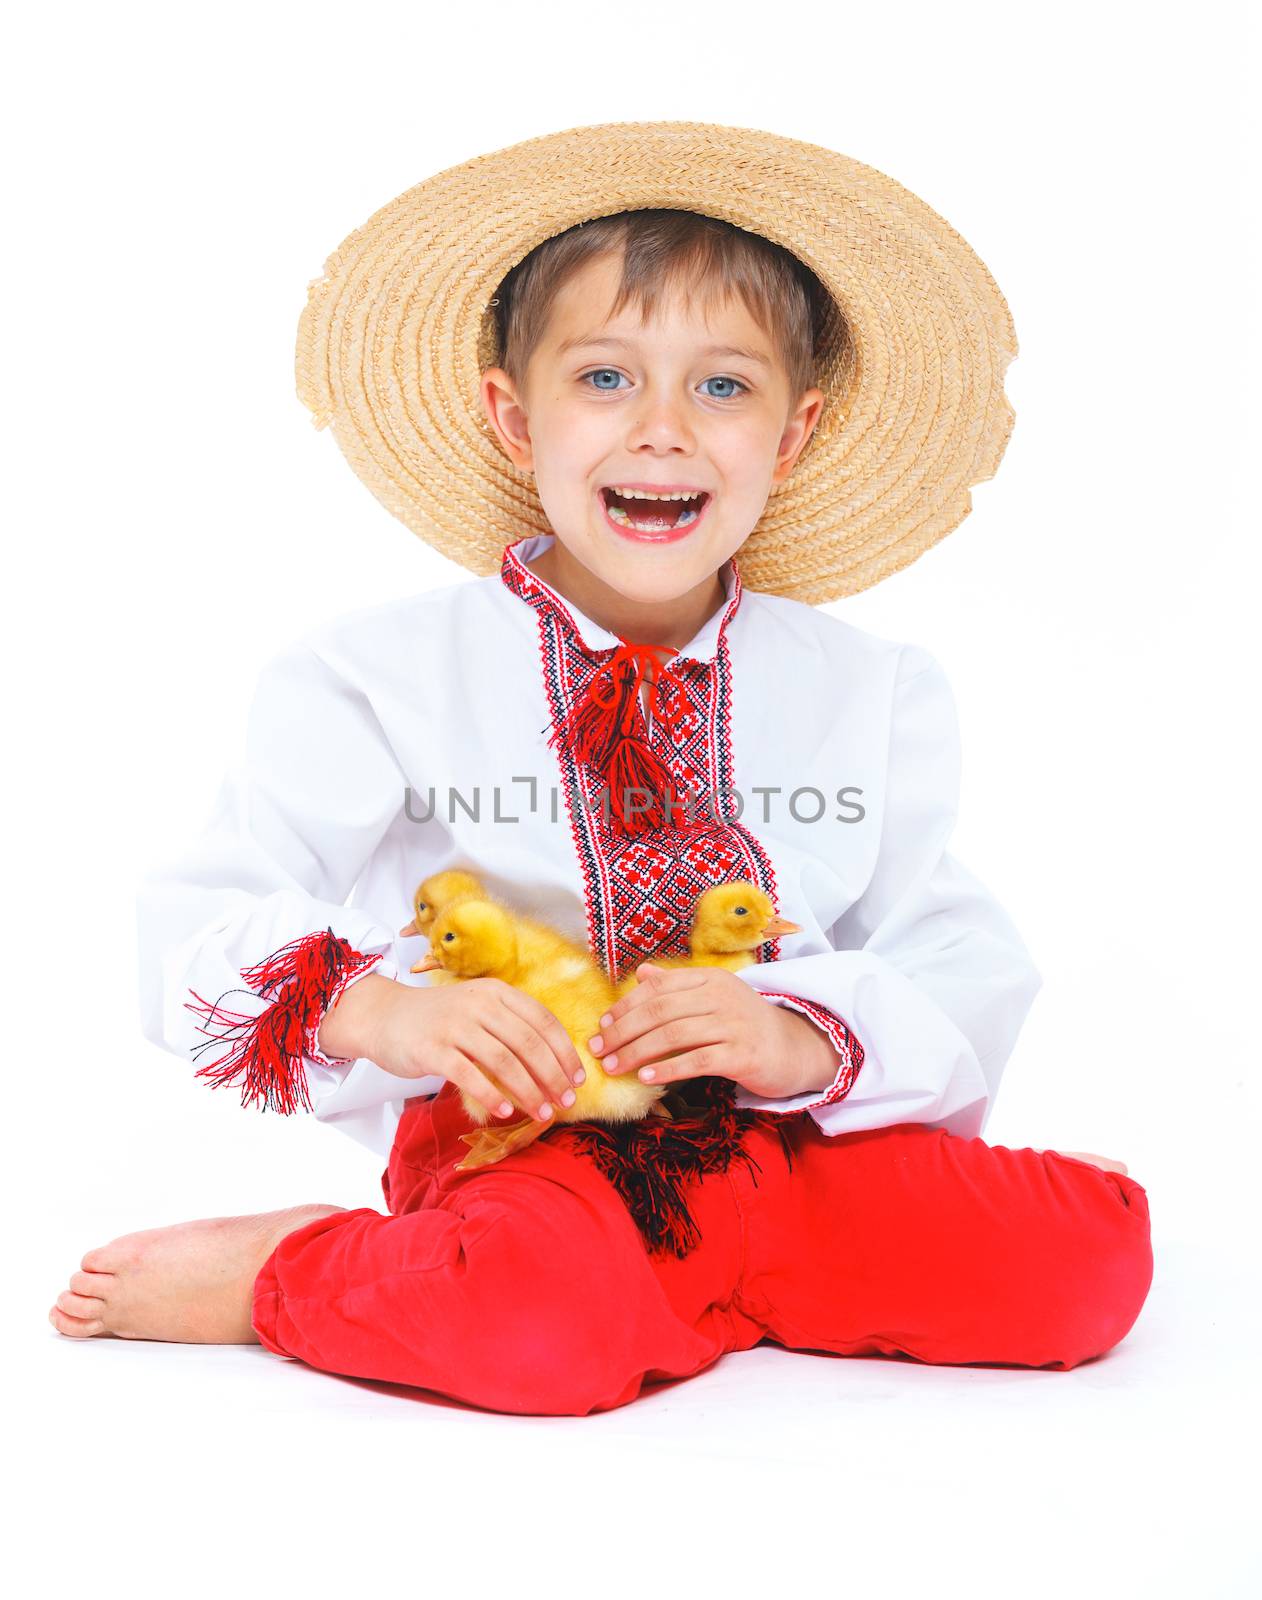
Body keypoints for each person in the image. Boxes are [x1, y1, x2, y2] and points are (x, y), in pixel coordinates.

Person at [48, 123, 1153, 1413]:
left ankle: (702, 1290)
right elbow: (198, 922)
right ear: (514, 418)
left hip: (786, 1157)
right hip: (529, 1158)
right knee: (529, 1321)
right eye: (607, 379)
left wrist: (801, 1036)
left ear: (792, 439)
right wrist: (393, 1015)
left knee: (1093, 1263)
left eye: (724, 388)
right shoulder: (377, 674)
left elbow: (955, 952)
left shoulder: (871, 688)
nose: (666, 431)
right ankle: (294, 1272)